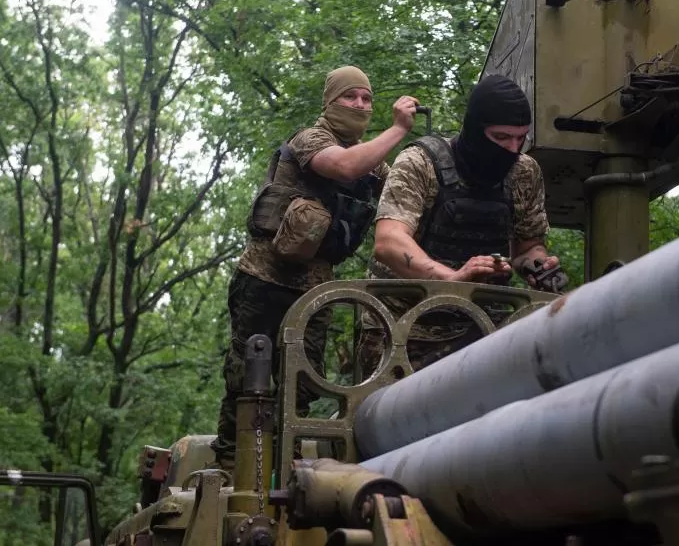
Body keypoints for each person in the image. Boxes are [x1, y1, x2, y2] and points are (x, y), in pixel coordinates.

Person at [210, 65, 418, 468]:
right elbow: (342, 166)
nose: (359, 105)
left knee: (303, 386)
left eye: (366, 99)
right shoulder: (312, 139)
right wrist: (398, 130)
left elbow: (402, 198)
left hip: (315, 292)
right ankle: (230, 468)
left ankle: (285, 468)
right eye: (349, 96)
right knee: (246, 380)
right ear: (330, 101)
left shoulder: (375, 167)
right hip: (264, 280)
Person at [357, 74, 563, 377]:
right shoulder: (420, 162)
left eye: (521, 138)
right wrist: (452, 278)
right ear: (475, 128)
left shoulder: (524, 172)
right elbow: (389, 242)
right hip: (403, 331)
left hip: (484, 330)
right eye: (501, 137)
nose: (512, 148)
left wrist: (540, 266)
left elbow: (527, 246)